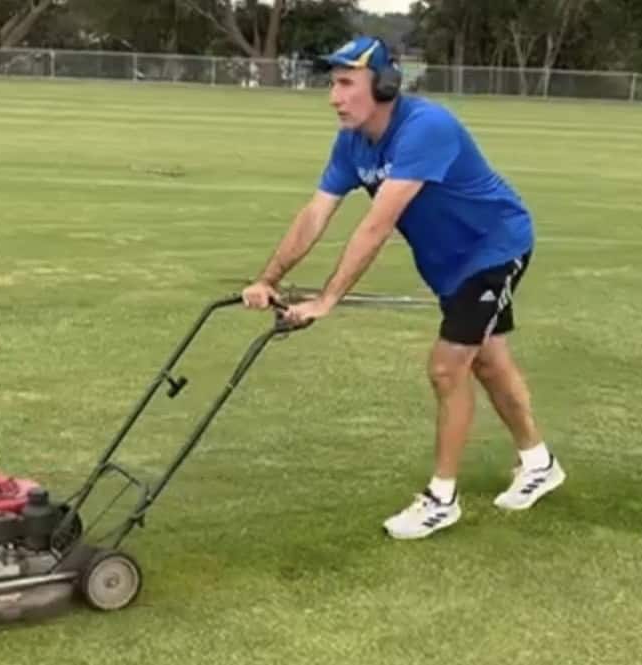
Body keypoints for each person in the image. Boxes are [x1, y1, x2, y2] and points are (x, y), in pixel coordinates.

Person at [241, 36, 566, 540]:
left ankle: (441, 499)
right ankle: (539, 463)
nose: (334, 96)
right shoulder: (352, 143)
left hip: (494, 246)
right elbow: (315, 214)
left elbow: (376, 224)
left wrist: (327, 300)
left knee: (447, 365)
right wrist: (268, 279)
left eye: (346, 83)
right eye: (333, 84)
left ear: (385, 86)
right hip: (450, 264)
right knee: (487, 358)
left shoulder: (425, 128)